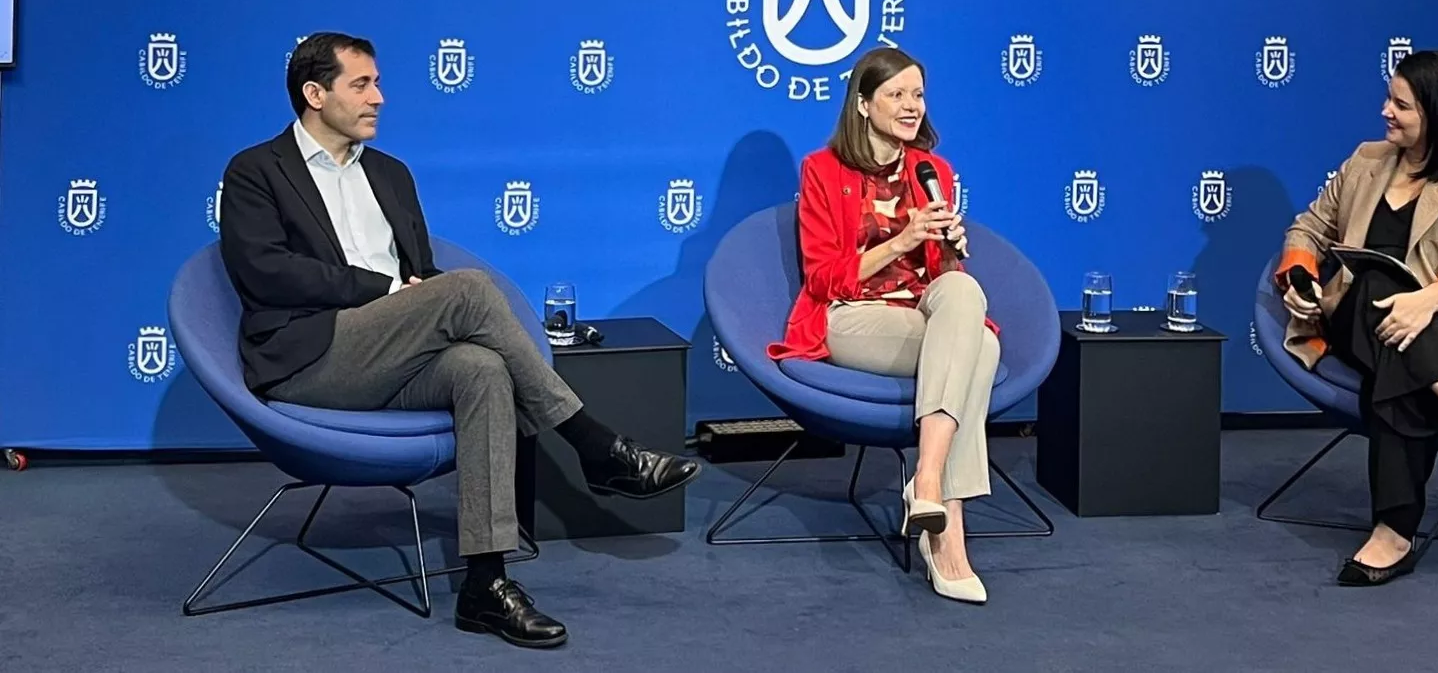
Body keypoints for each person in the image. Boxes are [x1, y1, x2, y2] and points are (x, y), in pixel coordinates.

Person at [220, 32, 701, 647]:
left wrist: (414, 292)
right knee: (469, 289)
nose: (379, 98)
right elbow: (266, 271)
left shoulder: (390, 174)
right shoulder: (257, 170)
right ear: (315, 94)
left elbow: (418, 272)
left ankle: (486, 583)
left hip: (386, 356)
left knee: (481, 368)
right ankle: (595, 445)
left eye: (377, 83)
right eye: (361, 85)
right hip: (309, 358)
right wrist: (388, 291)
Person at [1273, 49, 1438, 587]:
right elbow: (1310, 228)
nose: (1385, 112)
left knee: (1400, 361)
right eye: (1390, 99)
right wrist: (1300, 278)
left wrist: (1427, 301)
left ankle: (1393, 532)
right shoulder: (1367, 161)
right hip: (1354, 317)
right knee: (1377, 285)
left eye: (1402, 105)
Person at [769, 47, 1001, 604]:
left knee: (965, 291)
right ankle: (949, 532)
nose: (910, 106)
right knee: (979, 354)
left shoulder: (932, 171)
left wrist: (947, 251)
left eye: (917, 94)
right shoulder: (822, 171)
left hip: (919, 313)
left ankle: (927, 484)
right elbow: (824, 278)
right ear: (863, 103)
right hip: (853, 319)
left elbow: (943, 280)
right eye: (896, 94)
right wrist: (903, 239)